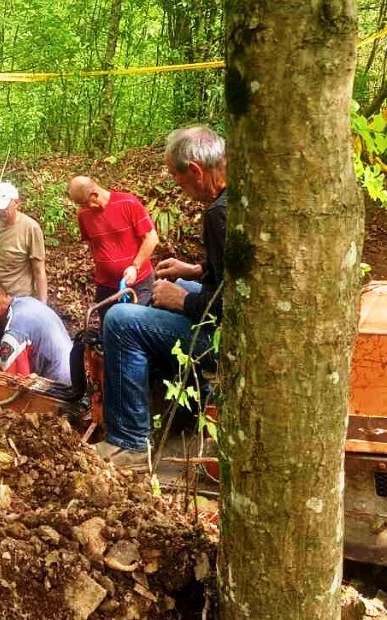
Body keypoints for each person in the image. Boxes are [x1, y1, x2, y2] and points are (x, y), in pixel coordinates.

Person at [95, 125, 227, 467]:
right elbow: (238, 274)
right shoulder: (239, 198)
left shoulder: (219, 213)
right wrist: (195, 270)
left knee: (120, 320)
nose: (180, 188)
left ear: (196, 171)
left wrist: (182, 301)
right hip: (235, 325)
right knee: (170, 292)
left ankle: (130, 443)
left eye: (179, 180)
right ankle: (187, 411)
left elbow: (234, 303)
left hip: (231, 339)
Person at [0, 181, 48, 367]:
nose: (0, 212)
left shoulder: (30, 228)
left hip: (16, 302)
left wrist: (43, 306)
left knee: (12, 360)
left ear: (16, 203)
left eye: (4, 207)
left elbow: (39, 270)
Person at [68, 175, 159, 324]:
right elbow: (94, 243)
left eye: (84, 203)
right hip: (106, 286)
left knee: (137, 327)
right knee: (109, 329)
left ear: (94, 195)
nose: (82, 208)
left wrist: (135, 266)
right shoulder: (83, 214)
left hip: (139, 283)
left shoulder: (128, 203)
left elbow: (151, 238)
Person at [0, 279, 72, 385]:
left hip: (59, 386)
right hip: (73, 372)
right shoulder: (28, 302)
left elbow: (11, 383)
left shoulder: (14, 333)